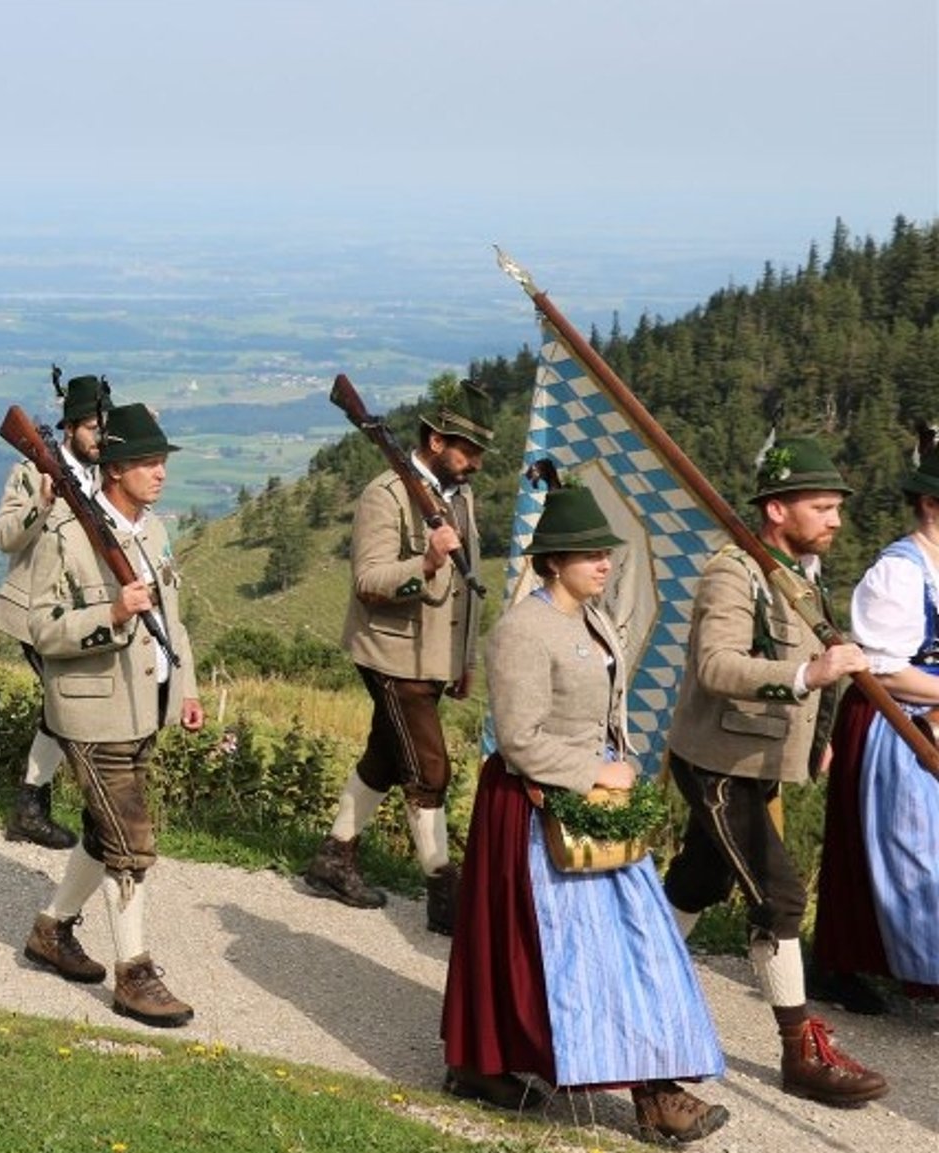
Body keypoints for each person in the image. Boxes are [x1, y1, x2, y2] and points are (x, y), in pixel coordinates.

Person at [441, 485, 729, 1145]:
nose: (604, 563)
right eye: (590, 553)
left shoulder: (593, 621)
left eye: (605, 552)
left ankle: (657, 1090)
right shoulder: (522, 629)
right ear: (553, 560)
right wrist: (594, 771)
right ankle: (489, 1062)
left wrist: (616, 772)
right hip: (539, 806)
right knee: (571, 953)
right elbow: (517, 737)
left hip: (598, 805)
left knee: (636, 942)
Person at [662, 436, 888, 1106]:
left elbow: (826, 651)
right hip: (718, 761)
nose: (836, 520)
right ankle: (800, 1051)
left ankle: (626, 975)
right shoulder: (735, 573)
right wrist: (806, 675)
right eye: (821, 506)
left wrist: (818, 731)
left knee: (696, 880)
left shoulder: (806, 574)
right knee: (782, 896)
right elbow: (717, 666)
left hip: (761, 760)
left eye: (836, 507)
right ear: (776, 509)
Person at [18, 402, 203, 1028]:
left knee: (104, 833)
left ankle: (51, 930)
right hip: (92, 714)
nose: (160, 474)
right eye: (148, 463)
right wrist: (112, 616)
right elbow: (42, 629)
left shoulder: (152, 532)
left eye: (160, 462)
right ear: (116, 468)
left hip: (144, 706)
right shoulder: (67, 535)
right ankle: (135, 974)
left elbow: (172, 622)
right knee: (131, 842)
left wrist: (189, 688)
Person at [304, 380, 491, 935]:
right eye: (468, 450)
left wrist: (465, 659)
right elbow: (368, 581)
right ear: (435, 440)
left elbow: (468, 584)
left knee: (385, 757)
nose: (476, 463)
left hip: (434, 656)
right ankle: (443, 889)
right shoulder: (385, 495)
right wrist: (427, 566)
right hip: (391, 654)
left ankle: (334, 856)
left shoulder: (460, 496)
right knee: (430, 768)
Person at [813, 449, 939, 1010]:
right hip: (896, 724)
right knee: (911, 849)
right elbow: (882, 667)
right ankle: (858, 964)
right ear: (930, 505)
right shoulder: (899, 572)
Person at [0, 372, 109, 850]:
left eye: (105, 428)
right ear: (69, 428)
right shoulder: (31, 470)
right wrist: (39, 504)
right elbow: (4, 537)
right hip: (37, 614)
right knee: (70, 704)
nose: (100, 437)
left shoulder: (107, 472)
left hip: (81, 616)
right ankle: (64, 803)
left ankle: (31, 802)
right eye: (92, 428)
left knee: (63, 706)